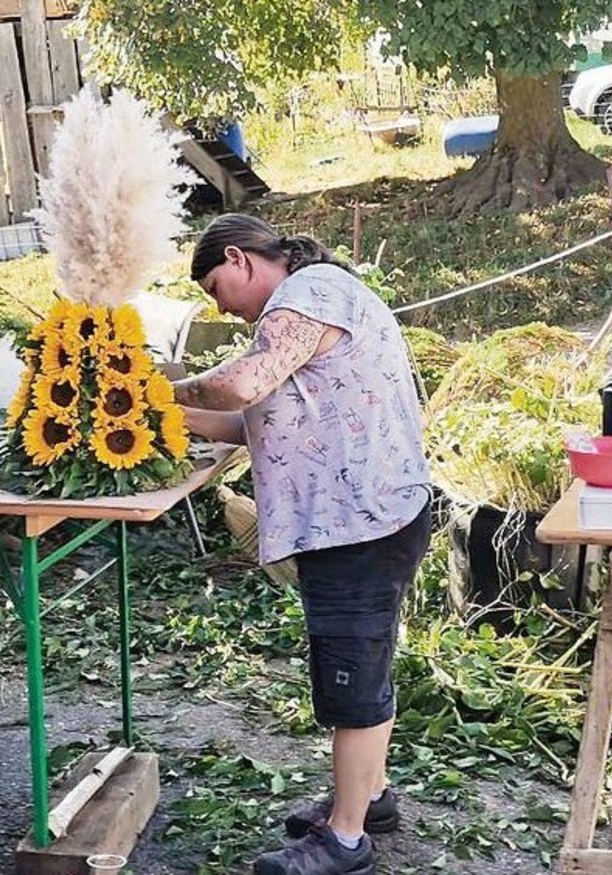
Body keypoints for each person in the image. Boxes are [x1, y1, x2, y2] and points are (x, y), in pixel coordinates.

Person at [174, 214, 431, 875]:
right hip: (374, 513)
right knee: (365, 661)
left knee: (352, 676)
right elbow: (245, 418)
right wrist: (160, 414)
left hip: (359, 521)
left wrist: (157, 388)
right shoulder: (312, 305)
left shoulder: (306, 295)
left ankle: (344, 839)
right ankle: (368, 797)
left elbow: (239, 384)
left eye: (214, 287)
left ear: (240, 258)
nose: (220, 307)